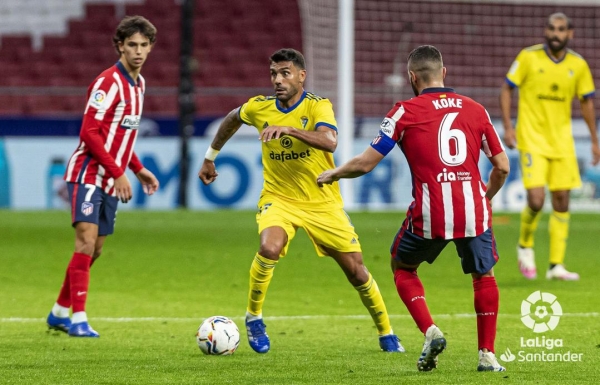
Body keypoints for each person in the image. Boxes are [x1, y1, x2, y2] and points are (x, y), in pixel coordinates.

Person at [198, 48, 404, 354]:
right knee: (269, 247)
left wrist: (291, 130)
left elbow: (329, 140)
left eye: (285, 73)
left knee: (357, 271)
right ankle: (254, 317)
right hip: (279, 198)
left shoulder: (319, 106)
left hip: (322, 202)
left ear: (301, 76)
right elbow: (232, 118)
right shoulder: (259, 107)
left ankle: (386, 333)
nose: (277, 80)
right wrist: (210, 157)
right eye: (273, 74)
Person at [318, 45, 510, 372]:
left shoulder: (403, 111)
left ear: (412, 77)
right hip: (473, 209)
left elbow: (366, 163)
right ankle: (487, 356)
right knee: (484, 275)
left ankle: (430, 330)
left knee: (402, 266)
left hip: (431, 210)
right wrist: (486, 196)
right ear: (443, 73)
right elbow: (502, 166)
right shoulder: (476, 109)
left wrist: (335, 172)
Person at [46, 16, 160, 337]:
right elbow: (90, 132)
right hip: (87, 173)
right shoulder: (107, 83)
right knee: (84, 242)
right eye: (131, 45)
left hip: (111, 177)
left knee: (95, 249)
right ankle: (78, 320)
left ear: (150, 48)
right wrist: (118, 172)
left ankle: (58, 311)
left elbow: (121, 136)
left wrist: (137, 169)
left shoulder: (139, 85)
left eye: (143, 45)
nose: (137, 51)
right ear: (120, 46)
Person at [500, 12, 600, 281]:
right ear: (546, 31)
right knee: (536, 199)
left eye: (561, 30)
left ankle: (556, 265)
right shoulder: (528, 57)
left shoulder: (578, 65)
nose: (555, 34)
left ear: (570, 34)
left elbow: (587, 101)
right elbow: (507, 88)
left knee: (562, 202)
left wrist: (594, 140)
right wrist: (509, 127)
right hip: (532, 139)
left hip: (563, 143)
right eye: (552, 28)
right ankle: (525, 245)